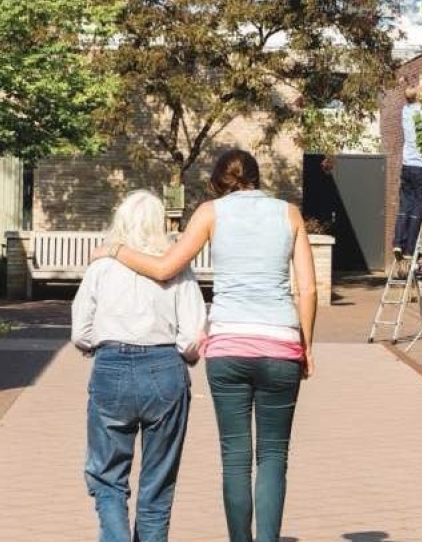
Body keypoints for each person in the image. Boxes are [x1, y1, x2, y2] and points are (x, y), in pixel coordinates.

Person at [93, 150, 317, 542]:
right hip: (281, 344)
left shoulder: (210, 213)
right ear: (257, 178)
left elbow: (164, 268)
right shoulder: (290, 214)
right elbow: (309, 289)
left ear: (217, 181)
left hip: (228, 347)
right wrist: (306, 347)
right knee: (273, 456)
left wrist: (115, 250)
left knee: (235, 458)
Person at [72, 189, 206, 542]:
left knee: (107, 478)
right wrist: (188, 355)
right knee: (158, 483)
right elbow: (192, 336)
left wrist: (96, 346)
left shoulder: (101, 267)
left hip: (111, 365)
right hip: (165, 367)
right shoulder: (177, 268)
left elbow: (81, 332)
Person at [392, 84, 422, 261]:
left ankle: (397, 243)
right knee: (418, 208)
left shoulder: (406, 111)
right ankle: (409, 249)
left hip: (407, 166)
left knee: (405, 206)